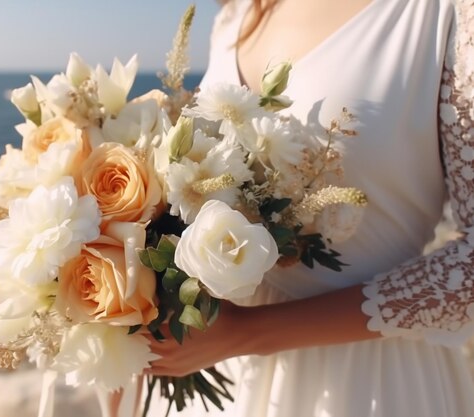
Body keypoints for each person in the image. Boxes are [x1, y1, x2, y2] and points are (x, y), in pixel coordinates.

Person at [145, 0, 474, 416]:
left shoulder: (444, 12)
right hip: (211, 369)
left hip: (366, 381)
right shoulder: (236, 16)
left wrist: (248, 333)